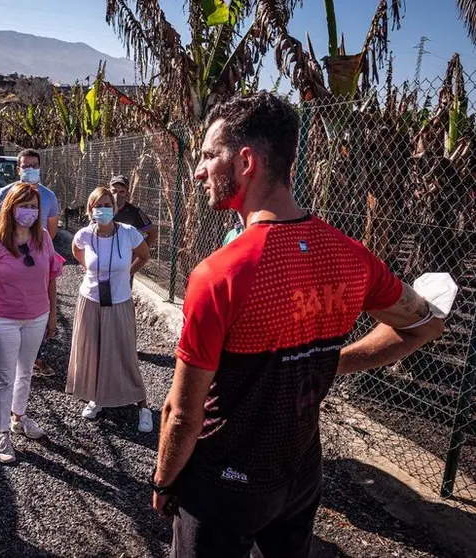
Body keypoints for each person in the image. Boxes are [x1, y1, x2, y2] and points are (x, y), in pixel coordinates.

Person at [151, 92, 445, 558]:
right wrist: (327, 362)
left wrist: (164, 481)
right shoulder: (351, 256)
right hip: (300, 476)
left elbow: (184, 415)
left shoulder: (218, 275)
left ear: (246, 161)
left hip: (224, 485)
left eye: (209, 155)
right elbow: (424, 325)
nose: (198, 169)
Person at [0, 182, 63, 463]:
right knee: (5, 377)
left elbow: (51, 277)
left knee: (26, 372)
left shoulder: (43, 238)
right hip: (4, 320)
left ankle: (18, 417)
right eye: (24, 206)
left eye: (34, 207)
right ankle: (3, 434)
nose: (29, 212)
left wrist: (52, 314)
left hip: (37, 316)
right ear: (10, 208)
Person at [66, 187, 153, 432]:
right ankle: (98, 398)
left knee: (125, 352)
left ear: (114, 208)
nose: (102, 209)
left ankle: (143, 405)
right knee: (93, 350)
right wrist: (88, 269)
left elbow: (144, 255)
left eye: (107, 204)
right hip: (90, 299)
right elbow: (76, 250)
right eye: (97, 205)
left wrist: (127, 274)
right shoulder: (84, 235)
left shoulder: (128, 233)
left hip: (119, 301)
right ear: (90, 209)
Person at [0, 148, 61, 378]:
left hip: (36, 260)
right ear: (18, 168)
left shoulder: (49, 197)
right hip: (10, 259)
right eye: (25, 166)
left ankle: (33, 357)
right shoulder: (4, 193)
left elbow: (51, 231)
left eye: (34, 165)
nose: (30, 169)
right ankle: (10, 357)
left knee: (37, 306)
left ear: (40, 168)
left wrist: (36, 249)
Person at [110, 175, 159, 249]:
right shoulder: (101, 208)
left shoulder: (135, 212)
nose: (117, 195)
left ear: (127, 193)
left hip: (124, 256)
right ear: (108, 191)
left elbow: (153, 233)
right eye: (114, 191)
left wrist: (138, 253)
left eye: (122, 192)